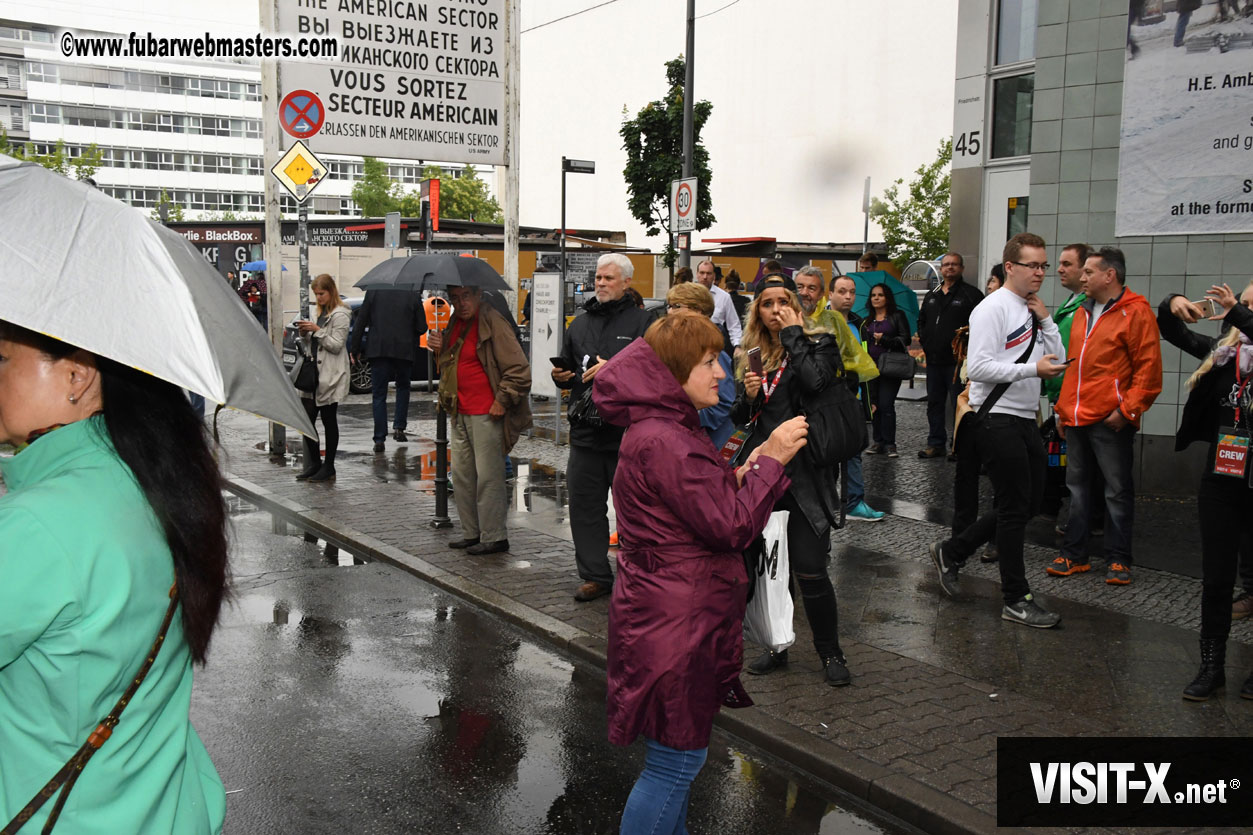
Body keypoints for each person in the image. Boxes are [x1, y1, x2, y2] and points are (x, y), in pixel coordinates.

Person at [0, 321, 228, 833]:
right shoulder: (147, 479)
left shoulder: (36, 527)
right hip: (164, 809)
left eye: (3, 360)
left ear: (77, 375)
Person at [594, 311, 804, 835]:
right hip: (679, 621)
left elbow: (691, 506)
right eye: (709, 362)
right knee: (676, 764)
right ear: (673, 373)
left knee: (675, 764)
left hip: (667, 613)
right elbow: (730, 527)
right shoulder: (667, 438)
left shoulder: (663, 430)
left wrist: (743, 472)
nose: (722, 375)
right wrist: (773, 461)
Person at [928, 233, 1068, 628]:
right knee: (1012, 507)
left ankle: (953, 551)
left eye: (1044, 265)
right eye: (1033, 265)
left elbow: (1053, 355)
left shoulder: (1030, 307)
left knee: (1029, 501)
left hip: (1025, 416)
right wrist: (1032, 369)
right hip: (996, 416)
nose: (1041, 272)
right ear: (1011, 267)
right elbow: (982, 367)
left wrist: (1044, 319)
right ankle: (1016, 597)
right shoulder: (991, 309)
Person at [733, 274, 854, 684]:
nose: (774, 310)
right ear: (757, 310)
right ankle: (777, 645)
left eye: (782, 302)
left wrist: (793, 334)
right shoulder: (751, 354)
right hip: (763, 473)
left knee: (810, 568)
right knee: (771, 571)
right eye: (766, 304)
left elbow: (815, 382)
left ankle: (830, 653)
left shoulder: (819, 343)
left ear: (795, 307)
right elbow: (742, 419)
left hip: (805, 477)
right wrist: (748, 397)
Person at [1161, 282, 1253, 700]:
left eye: (1250, 306)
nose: (1240, 310)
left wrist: (1238, 312)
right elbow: (1172, 330)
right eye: (1243, 302)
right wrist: (1171, 303)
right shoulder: (1223, 354)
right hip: (1222, 478)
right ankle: (1211, 667)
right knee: (1216, 578)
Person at [1051, 247, 1162, 586]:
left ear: (1109, 275)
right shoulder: (1082, 311)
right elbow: (1074, 366)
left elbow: (1149, 368)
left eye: (1088, 272)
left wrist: (1127, 410)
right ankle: (1074, 555)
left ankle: (1118, 559)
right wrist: (1061, 408)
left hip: (1110, 419)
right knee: (1078, 488)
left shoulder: (1136, 312)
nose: (1081, 278)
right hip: (1077, 416)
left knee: (1116, 490)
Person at [553, 253, 655, 603]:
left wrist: (615, 368)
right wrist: (560, 375)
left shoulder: (644, 322)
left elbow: (654, 372)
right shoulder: (578, 324)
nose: (600, 283)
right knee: (584, 507)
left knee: (634, 512)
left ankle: (637, 576)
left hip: (625, 434)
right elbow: (567, 368)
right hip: (585, 433)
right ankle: (595, 574)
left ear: (627, 282)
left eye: (608, 278)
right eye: (598, 278)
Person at [428, 285, 532, 555]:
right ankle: (472, 533)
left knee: (488, 477)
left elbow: (519, 369)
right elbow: (453, 363)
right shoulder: (455, 323)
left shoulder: (492, 320)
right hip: (459, 409)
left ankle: (494, 536)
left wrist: (502, 400)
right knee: (463, 478)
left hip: (487, 411)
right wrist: (438, 348)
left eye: (465, 297)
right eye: (454, 298)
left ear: (478, 295)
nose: (460, 303)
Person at [1041, 243, 1105, 524]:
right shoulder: (1071, 303)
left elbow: (1074, 358)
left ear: (1084, 270)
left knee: (1083, 466)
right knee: (1070, 464)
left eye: (1067, 264)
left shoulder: (1087, 307)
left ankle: (1087, 521)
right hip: (1063, 395)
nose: (1059, 269)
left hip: (1076, 398)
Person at [821, 272, 886, 522]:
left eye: (852, 292)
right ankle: (827, 502)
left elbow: (865, 364)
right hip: (829, 400)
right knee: (828, 453)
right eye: (842, 291)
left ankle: (854, 501)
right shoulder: (822, 322)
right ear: (831, 294)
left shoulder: (860, 324)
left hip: (855, 398)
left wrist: (869, 396)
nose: (848, 296)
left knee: (855, 450)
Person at [918, 253, 984, 459]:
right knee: (934, 403)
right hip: (935, 361)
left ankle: (959, 444)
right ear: (941, 269)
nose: (950, 268)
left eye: (954, 265)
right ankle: (935, 443)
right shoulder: (932, 295)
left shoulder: (971, 295)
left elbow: (981, 326)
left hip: (958, 363)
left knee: (959, 404)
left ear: (962, 268)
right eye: (946, 265)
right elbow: (922, 322)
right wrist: (926, 341)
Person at [351, 288, 426, 453]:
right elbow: (422, 327)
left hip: (379, 349)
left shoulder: (373, 292)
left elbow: (361, 321)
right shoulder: (412, 293)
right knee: (403, 387)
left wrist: (354, 348)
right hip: (404, 350)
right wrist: (407, 331)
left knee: (378, 395)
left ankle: (379, 438)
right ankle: (399, 427)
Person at [294, 274, 351, 483]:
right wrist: (305, 333)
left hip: (330, 375)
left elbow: (336, 345)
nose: (318, 298)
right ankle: (315, 463)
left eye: (322, 293)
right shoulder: (320, 312)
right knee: (306, 420)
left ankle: (329, 466)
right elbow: (315, 344)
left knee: (328, 420)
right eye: (316, 294)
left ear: (331, 291)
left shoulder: (340, 314)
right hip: (313, 375)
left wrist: (316, 330)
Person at [666, 282, 736, 449]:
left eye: (676, 306)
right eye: (668, 306)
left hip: (711, 444)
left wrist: (685, 420)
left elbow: (724, 403)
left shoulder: (715, 352)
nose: (669, 312)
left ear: (697, 311)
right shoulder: (674, 346)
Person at [860, 282, 912, 458]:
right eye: (873, 295)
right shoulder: (866, 321)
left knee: (886, 405)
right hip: (870, 368)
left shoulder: (897, 316)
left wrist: (885, 339)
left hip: (890, 367)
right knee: (874, 405)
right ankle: (878, 442)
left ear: (887, 298)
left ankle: (890, 443)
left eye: (880, 295)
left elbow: (905, 340)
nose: (876, 298)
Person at [696, 259, 743, 348]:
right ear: (697, 274)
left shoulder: (724, 297)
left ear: (714, 276)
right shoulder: (688, 295)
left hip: (714, 346)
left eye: (708, 273)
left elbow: (734, 325)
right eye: (702, 273)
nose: (705, 277)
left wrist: (737, 346)